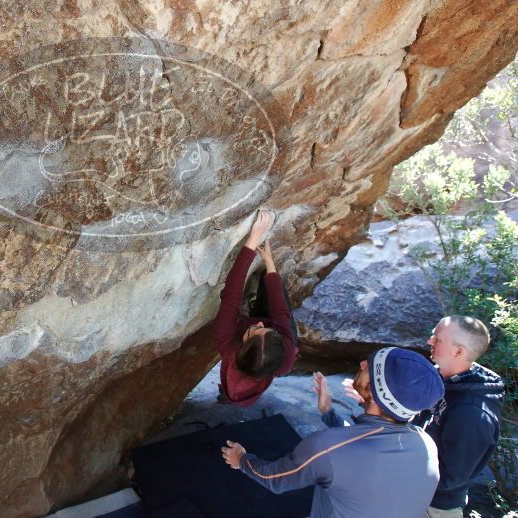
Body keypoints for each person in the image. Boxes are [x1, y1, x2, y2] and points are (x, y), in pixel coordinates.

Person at [222, 347, 445, 518]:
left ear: (376, 394)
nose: (362, 363)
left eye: (370, 367)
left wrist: (241, 459)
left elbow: (275, 479)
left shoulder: (325, 446)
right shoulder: (425, 443)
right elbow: (362, 452)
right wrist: (328, 412)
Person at [413, 316, 505, 518]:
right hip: (415, 497)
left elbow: (449, 478)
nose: (429, 341)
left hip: (434, 508)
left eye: (437, 338)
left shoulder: (473, 413)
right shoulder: (440, 380)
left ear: (458, 351)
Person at [213, 210, 298, 407]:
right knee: (270, 286)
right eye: (265, 328)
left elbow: (231, 296)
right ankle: (257, 302)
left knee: (260, 306)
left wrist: (253, 239)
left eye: (254, 329)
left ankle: (254, 304)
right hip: (274, 336)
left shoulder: (225, 340)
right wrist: (269, 262)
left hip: (251, 347)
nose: (259, 323)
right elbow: (279, 312)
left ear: (241, 348)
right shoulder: (285, 357)